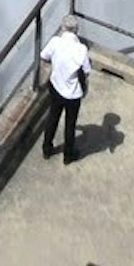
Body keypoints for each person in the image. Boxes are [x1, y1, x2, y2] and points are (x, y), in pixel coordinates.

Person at [37, 18, 91, 162]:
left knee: (52, 118)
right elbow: (86, 72)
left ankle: (47, 150)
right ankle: (68, 155)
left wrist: (53, 68)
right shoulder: (81, 49)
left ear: (62, 27)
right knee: (70, 124)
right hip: (73, 94)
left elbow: (43, 57)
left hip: (56, 88)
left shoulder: (55, 42)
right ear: (76, 30)